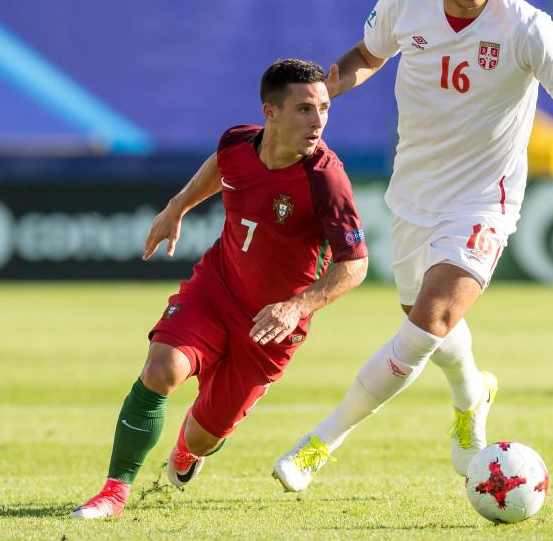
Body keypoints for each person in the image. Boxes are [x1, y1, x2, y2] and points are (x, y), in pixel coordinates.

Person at [271, 0, 553, 492]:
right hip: (414, 196)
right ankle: (473, 396)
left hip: (484, 202)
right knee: (429, 329)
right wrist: (324, 94)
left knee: (429, 322)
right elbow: (364, 58)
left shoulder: (528, 28)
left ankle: (322, 441)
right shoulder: (405, 2)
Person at [70, 59, 369, 519]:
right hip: (217, 288)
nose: (318, 122)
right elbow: (220, 165)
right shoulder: (237, 142)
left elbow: (355, 265)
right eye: (304, 110)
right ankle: (113, 492)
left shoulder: (326, 179)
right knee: (161, 369)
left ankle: (189, 449)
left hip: (271, 327)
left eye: (324, 109)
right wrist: (178, 205)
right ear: (270, 113)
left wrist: (296, 307)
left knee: (203, 436)